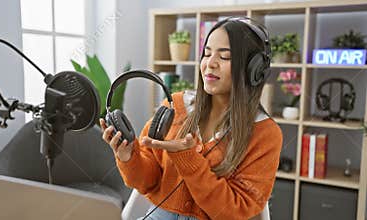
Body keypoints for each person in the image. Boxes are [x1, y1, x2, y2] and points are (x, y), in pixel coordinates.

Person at [100, 17, 283, 220]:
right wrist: (128, 157)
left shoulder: (265, 134)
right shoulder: (175, 107)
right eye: (206, 54)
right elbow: (147, 181)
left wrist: (189, 161)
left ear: (253, 70)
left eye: (224, 57)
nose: (210, 64)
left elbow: (234, 211)